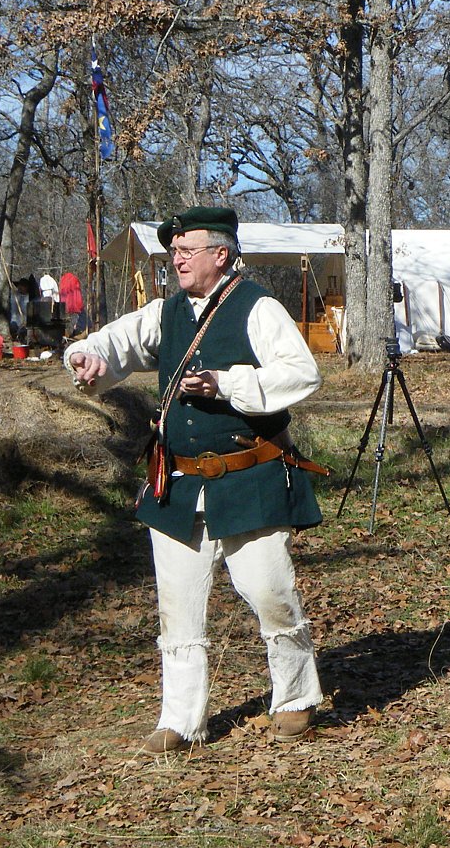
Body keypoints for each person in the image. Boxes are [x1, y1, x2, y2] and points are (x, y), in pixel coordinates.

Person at [65, 206, 326, 754]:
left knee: (269, 592)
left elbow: (301, 372)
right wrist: (88, 358)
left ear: (221, 255)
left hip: (248, 476)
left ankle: (297, 697)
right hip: (177, 482)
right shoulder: (167, 312)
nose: (177, 258)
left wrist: (228, 385)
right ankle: (181, 720)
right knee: (176, 604)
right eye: (174, 249)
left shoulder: (260, 307)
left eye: (188, 249)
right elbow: (120, 343)